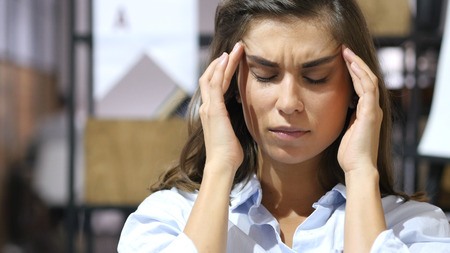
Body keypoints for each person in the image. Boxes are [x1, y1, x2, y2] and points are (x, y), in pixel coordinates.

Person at [118, 0, 450, 252]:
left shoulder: (413, 228)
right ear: (230, 84)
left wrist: (362, 171)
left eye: (315, 77)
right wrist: (220, 167)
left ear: (356, 88)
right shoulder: (169, 219)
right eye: (265, 75)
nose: (289, 102)